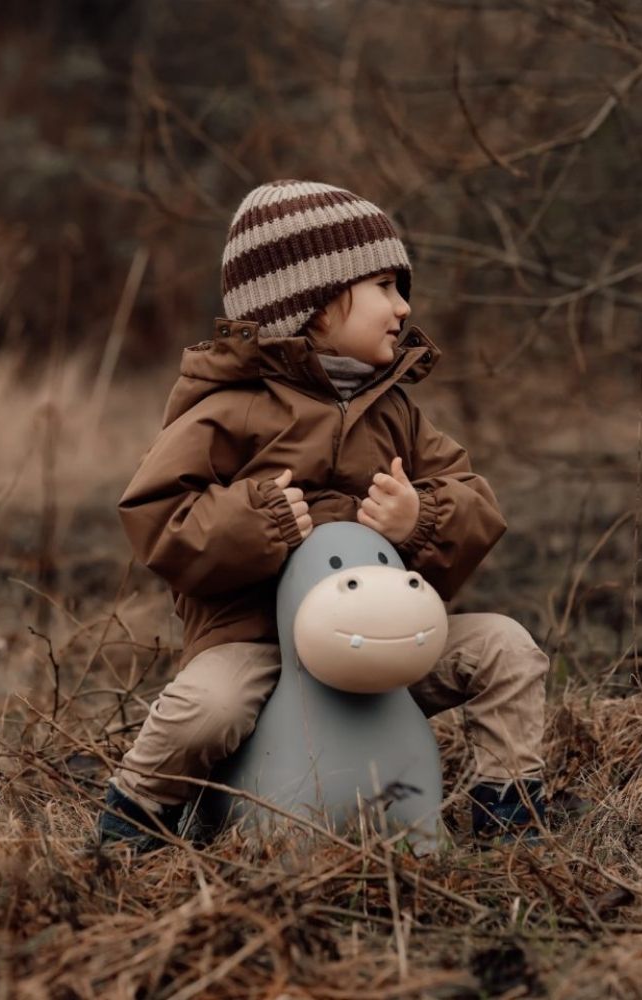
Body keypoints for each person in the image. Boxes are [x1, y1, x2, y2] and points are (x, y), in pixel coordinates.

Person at [97, 180, 549, 851]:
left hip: (377, 637)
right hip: (257, 642)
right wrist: (261, 523)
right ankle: (138, 817)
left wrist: (419, 518)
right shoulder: (230, 407)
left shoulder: (394, 408)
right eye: (386, 287)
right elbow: (159, 515)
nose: (403, 308)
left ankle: (509, 812)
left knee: (506, 649)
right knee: (206, 711)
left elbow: (473, 497)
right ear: (311, 301)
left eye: (404, 289)